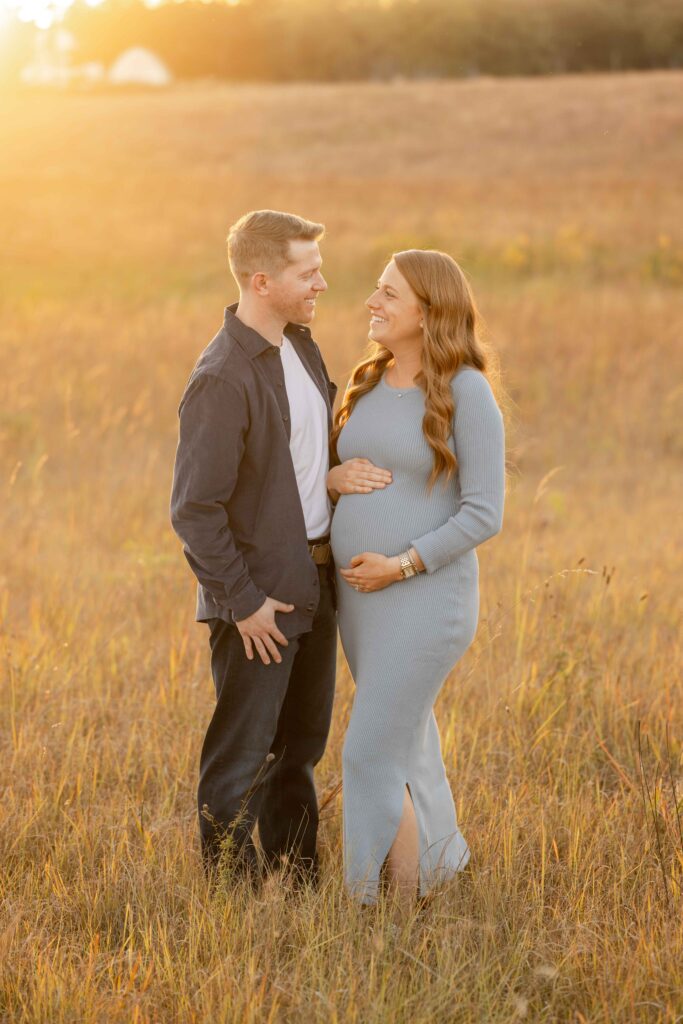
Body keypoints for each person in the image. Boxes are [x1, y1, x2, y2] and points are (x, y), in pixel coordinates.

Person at [328, 249, 506, 905]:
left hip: (425, 601)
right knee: (408, 746)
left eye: (388, 294)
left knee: (368, 753)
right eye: (375, 289)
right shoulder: (368, 380)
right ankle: (433, 880)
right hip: (363, 605)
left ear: (429, 311)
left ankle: (372, 907)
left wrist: (401, 564)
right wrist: (331, 478)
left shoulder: (465, 390)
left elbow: (484, 513)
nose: (371, 302)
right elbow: (341, 471)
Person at [170, 210, 338, 888]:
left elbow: (295, 465)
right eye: (308, 272)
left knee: (298, 751)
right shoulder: (221, 376)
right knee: (242, 758)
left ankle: (297, 888)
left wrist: (335, 478)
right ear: (262, 280)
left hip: (315, 583)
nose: (321, 283)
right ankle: (232, 905)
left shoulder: (300, 346)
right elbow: (194, 510)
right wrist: (243, 603)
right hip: (257, 601)